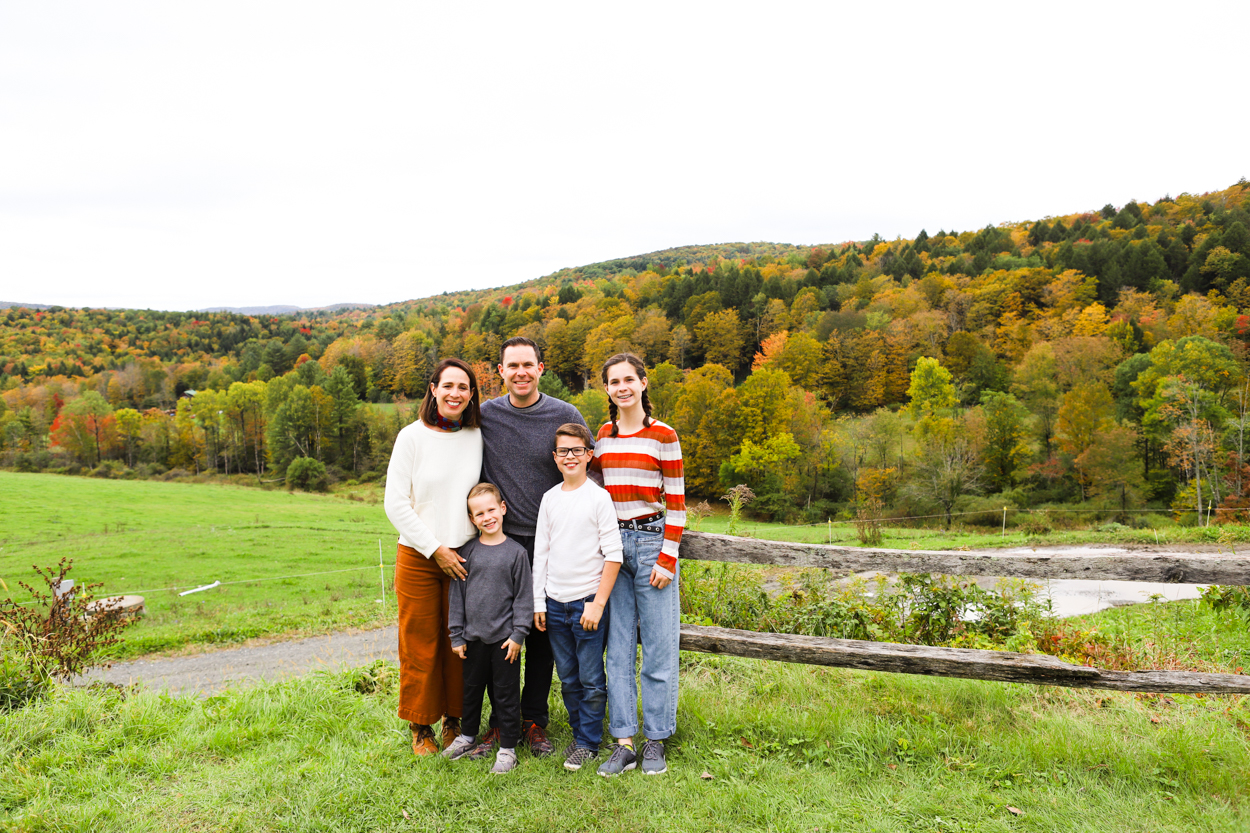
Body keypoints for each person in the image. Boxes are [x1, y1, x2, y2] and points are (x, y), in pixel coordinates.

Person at [476, 336, 589, 758]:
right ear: (500, 371)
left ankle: (533, 721)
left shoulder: (564, 414)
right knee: (499, 634)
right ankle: (499, 721)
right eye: (512, 365)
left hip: (551, 543)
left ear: (541, 368)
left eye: (529, 364)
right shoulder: (486, 415)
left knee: (542, 636)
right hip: (501, 542)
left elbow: (584, 469)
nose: (521, 372)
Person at [592, 353, 686, 777]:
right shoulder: (604, 436)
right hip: (613, 549)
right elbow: (591, 490)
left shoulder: (663, 435)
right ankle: (624, 740)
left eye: (629, 379)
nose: (622, 387)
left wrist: (667, 558)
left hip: (651, 545)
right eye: (614, 381)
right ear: (607, 390)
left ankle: (656, 740)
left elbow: (678, 504)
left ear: (644, 383)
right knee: (618, 649)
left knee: (659, 648)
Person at [384, 358, 482, 756]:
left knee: (460, 642)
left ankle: (454, 720)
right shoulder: (411, 437)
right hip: (420, 555)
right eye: (448, 386)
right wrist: (434, 548)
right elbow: (395, 504)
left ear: (472, 394)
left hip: (464, 556)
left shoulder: (476, 435)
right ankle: (420, 725)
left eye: (464, 387)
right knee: (420, 641)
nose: (455, 394)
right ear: (433, 389)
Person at [532, 423, 623, 771]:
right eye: (563, 451)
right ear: (555, 458)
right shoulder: (550, 498)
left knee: (590, 678)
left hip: (587, 603)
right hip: (555, 604)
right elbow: (542, 552)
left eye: (577, 450)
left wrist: (598, 604)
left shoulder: (599, 498)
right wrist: (539, 602)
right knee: (567, 677)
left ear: (589, 454)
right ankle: (578, 733)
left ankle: (589, 741)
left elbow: (613, 555)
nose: (570, 456)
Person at [443, 483, 533, 775]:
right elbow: (457, 596)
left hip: (506, 641)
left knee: (506, 694)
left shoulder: (516, 553)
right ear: (472, 519)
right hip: (473, 639)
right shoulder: (468, 553)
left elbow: (523, 599)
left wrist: (518, 634)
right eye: (479, 513)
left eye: (491, 510)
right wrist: (456, 634)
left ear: (503, 509)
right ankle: (467, 736)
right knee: (470, 691)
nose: (487, 517)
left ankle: (507, 748)